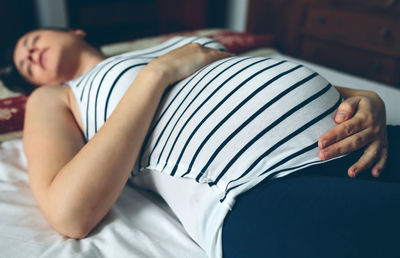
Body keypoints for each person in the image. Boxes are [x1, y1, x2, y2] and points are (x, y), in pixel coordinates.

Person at [11, 29, 399, 258]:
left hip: (357, 141)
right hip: (261, 188)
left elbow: (235, 87)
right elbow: (69, 213)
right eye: (26, 65)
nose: (29, 54)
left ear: (74, 33)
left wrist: (364, 98)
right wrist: (157, 74)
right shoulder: (56, 97)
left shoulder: (178, 41)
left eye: (30, 41)